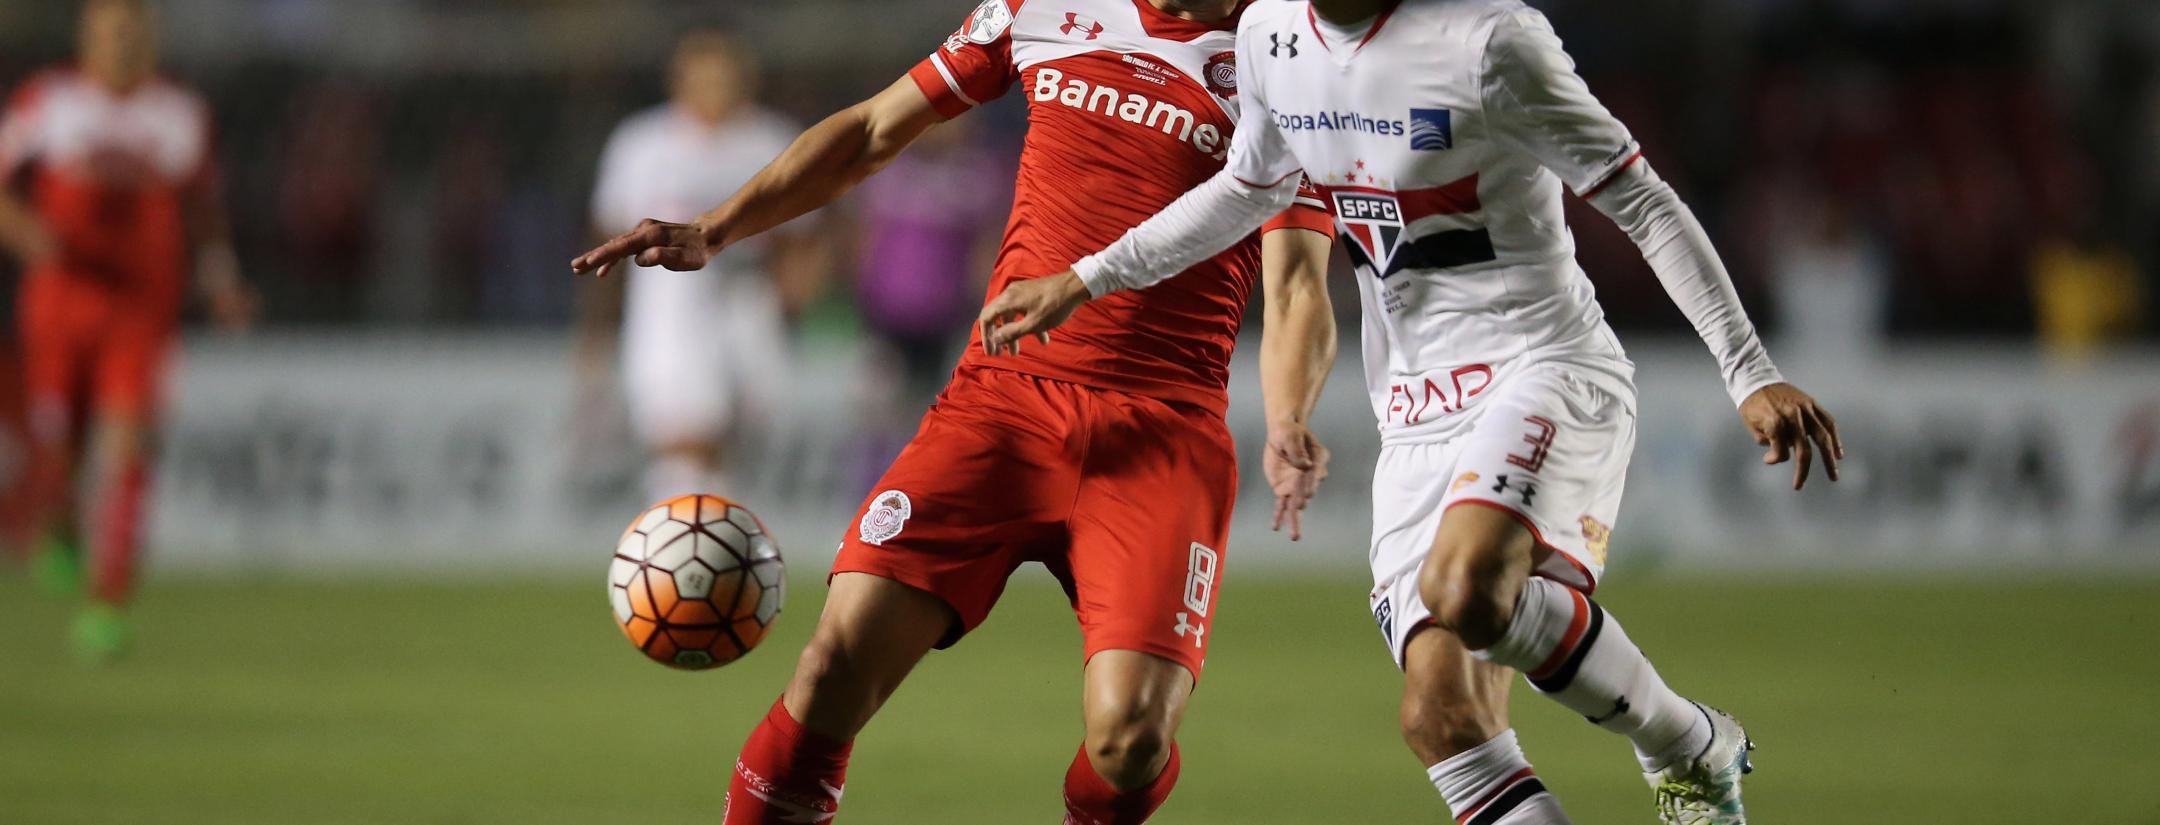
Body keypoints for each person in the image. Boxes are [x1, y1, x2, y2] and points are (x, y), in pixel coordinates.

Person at [978, 1, 1845, 823]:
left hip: (1540, 365)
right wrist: (1089, 277)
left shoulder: (1491, 42)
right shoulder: (1272, 34)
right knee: (1441, 717)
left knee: (1467, 585)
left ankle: (1683, 743)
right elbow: (1250, 188)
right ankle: (1697, 745)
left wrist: (1749, 372)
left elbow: (1643, 201)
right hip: (1413, 416)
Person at [571, 0, 1336, 820]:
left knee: (1131, 738)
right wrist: (719, 229)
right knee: (832, 667)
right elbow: (872, 132)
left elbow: (1296, 280)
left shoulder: (1293, 60)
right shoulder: (1044, 9)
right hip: (1002, 404)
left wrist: (1289, 413)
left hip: (1162, 431)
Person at [0, 0, 255, 661]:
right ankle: (59, 522)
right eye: (112, 30)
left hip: (140, 307)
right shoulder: (49, 102)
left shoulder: (177, 114)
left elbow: (204, 209)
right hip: (61, 300)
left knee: (128, 444)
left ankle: (107, 603)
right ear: (88, 38)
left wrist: (222, 277)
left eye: (136, 31)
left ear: (151, 39)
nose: (124, 42)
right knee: (60, 446)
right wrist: (26, 232)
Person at [578, 30, 824, 504]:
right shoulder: (642, 145)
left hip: (747, 296)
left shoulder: (770, 141)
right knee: (682, 436)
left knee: (742, 441)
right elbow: (607, 241)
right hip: (668, 299)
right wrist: (596, 331)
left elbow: (805, 235)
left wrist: (795, 293)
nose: (716, 88)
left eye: (725, 77)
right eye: (704, 77)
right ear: (678, 81)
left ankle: (714, 551)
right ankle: (680, 556)